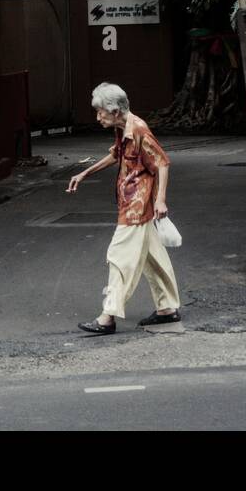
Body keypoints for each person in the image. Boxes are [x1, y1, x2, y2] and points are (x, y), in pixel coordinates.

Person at [66, 81, 181, 335]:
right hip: (131, 203)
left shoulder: (139, 129)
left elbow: (162, 162)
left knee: (118, 257)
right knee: (154, 258)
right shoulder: (122, 128)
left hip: (136, 207)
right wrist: (84, 173)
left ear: (115, 111)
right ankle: (167, 308)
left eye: (100, 112)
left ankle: (108, 317)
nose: (97, 117)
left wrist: (161, 199)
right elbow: (117, 155)